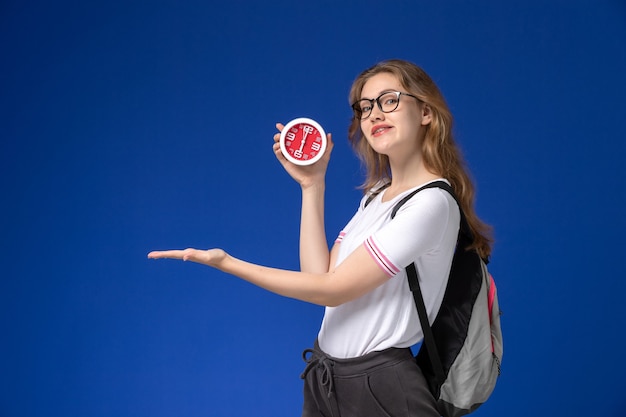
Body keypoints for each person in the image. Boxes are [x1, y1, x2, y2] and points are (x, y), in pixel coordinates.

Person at [148, 59, 492, 417]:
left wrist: (227, 263)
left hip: (382, 389)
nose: (374, 114)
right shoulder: (377, 195)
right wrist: (313, 186)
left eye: (389, 100)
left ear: (425, 111)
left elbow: (334, 289)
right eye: (365, 107)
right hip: (328, 379)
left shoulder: (432, 203)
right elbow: (319, 276)